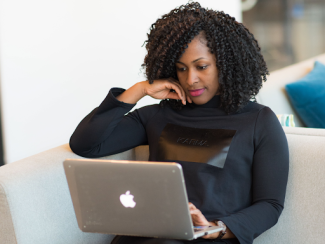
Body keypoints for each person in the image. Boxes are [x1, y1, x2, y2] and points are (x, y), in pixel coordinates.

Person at [69, 2, 289, 244]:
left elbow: (270, 205)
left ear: (227, 65)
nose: (190, 79)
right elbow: (85, 144)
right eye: (181, 69)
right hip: (151, 234)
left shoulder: (259, 121)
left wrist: (216, 228)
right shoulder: (158, 116)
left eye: (201, 67)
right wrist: (139, 90)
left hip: (211, 238)